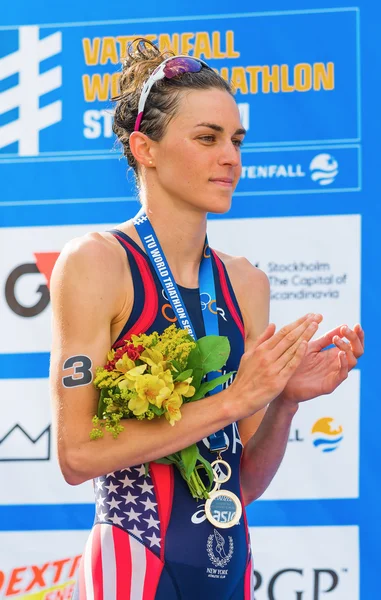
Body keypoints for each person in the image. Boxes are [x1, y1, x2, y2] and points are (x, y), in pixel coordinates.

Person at [49, 38, 364, 600]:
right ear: (145, 148)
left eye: (236, 140)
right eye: (207, 138)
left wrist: (284, 400)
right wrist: (235, 399)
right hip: (132, 561)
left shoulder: (247, 282)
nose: (231, 158)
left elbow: (242, 482)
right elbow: (76, 456)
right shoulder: (98, 262)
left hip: (228, 565)